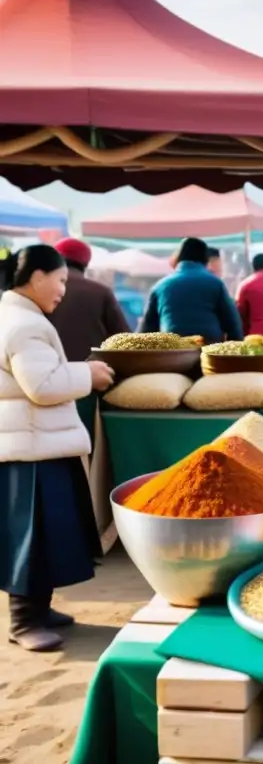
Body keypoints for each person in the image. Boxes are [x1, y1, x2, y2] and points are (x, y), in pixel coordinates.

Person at [0, 245, 115, 651]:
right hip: (32, 449)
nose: (64, 290)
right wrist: (89, 374)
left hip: (35, 443)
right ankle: (24, 621)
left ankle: (40, 611)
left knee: (45, 535)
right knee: (31, 537)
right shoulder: (23, 325)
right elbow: (42, 387)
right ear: (36, 278)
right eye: (60, 279)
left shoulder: (17, 316)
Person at [140, 237, 244, 345]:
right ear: (206, 260)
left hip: (172, 351)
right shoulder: (215, 283)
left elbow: (146, 329)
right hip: (208, 350)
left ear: (178, 258)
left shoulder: (161, 286)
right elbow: (233, 323)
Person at [48, 238, 130, 362]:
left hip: (45, 370)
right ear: (85, 264)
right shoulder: (101, 292)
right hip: (93, 373)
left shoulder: (37, 289)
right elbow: (124, 339)